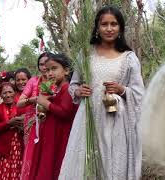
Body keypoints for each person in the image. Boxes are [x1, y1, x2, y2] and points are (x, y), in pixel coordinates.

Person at [59, 5, 145, 180]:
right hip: (87, 119)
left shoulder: (129, 58)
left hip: (115, 121)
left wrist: (122, 90)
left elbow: (139, 94)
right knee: (86, 165)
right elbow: (73, 85)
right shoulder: (85, 54)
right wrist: (78, 91)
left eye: (114, 24)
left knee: (111, 165)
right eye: (104, 24)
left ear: (120, 28)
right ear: (97, 27)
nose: (109, 28)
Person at [20, 54, 78, 180]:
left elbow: (65, 113)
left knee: (55, 167)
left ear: (66, 70)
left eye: (54, 69)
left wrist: (45, 102)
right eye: (48, 70)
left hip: (59, 138)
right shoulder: (56, 90)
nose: (50, 73)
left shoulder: (67, 88)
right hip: (50, 137)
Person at [0, 82, 24, 180]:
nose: (8, 95)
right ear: (0, 95)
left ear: (15, 93)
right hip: (3, 151)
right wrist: (8, 123)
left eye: (10, 92)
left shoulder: (21, 107)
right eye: (4, 93)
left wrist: (22, 126)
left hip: (19, 150)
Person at [17, 52, 51, 144]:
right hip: (32, 123)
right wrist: (34, 99)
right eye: (41, 64)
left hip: (51, 121)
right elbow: (19, 103)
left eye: (47, 63)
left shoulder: (57, 80)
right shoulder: (33, 81)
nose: (44, 67)